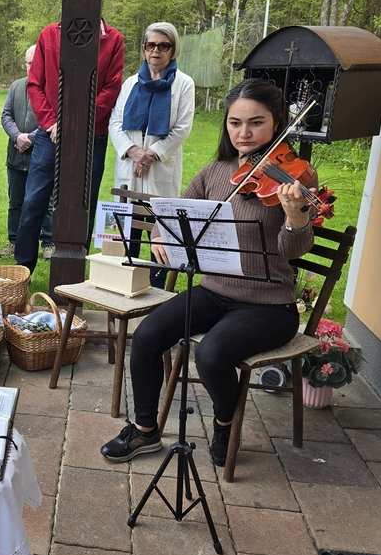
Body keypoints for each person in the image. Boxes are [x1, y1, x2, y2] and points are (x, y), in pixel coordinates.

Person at [99, 78, 315, 467]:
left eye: (256, 122)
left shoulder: (295, 178)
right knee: (146, 336)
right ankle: (146, 430)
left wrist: (296, 218)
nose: (244, 133)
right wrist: (162, 234)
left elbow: (293, 251)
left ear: (279, 122)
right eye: (235, 123)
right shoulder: (215, 172)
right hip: (214, 291)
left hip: (269, 305)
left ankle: (225, 423)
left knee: (212, 354)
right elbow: (176, 214)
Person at [15, 19, 124, 272]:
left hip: (91, 135)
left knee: (83, 204)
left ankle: (74, 270)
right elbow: (35, 83)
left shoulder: (113, 39)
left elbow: (111, 88)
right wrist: (52, 122)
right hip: (50, 134)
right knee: (33, 201)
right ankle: (22, 270)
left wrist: (77, 125)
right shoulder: (49, 34)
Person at [109, 22, 195, 287]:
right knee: (128, 232)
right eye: (151, 45)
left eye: (163, 45)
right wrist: (133, 151)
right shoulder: (131, 83)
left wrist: (152, 154)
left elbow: (182, 127)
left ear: (173, 49)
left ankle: (156, 291)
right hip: (130, 170)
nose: (156, 50)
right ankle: (125, 285)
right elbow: (115, 123)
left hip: (160, 169)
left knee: (161, 232)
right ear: (144, 48)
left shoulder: (184, 84)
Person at [0, 44, 54, 260]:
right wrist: (17, 136)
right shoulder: (16, 86)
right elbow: (6, 115)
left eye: (36, 62)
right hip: (16, 155)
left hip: (41, 156)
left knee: (46, 202)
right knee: (15, 202)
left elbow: (51, 120)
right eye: (28, 63)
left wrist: (30, 138)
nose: (32, 66)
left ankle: (48, 242)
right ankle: (14, 241)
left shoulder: (51, 88)